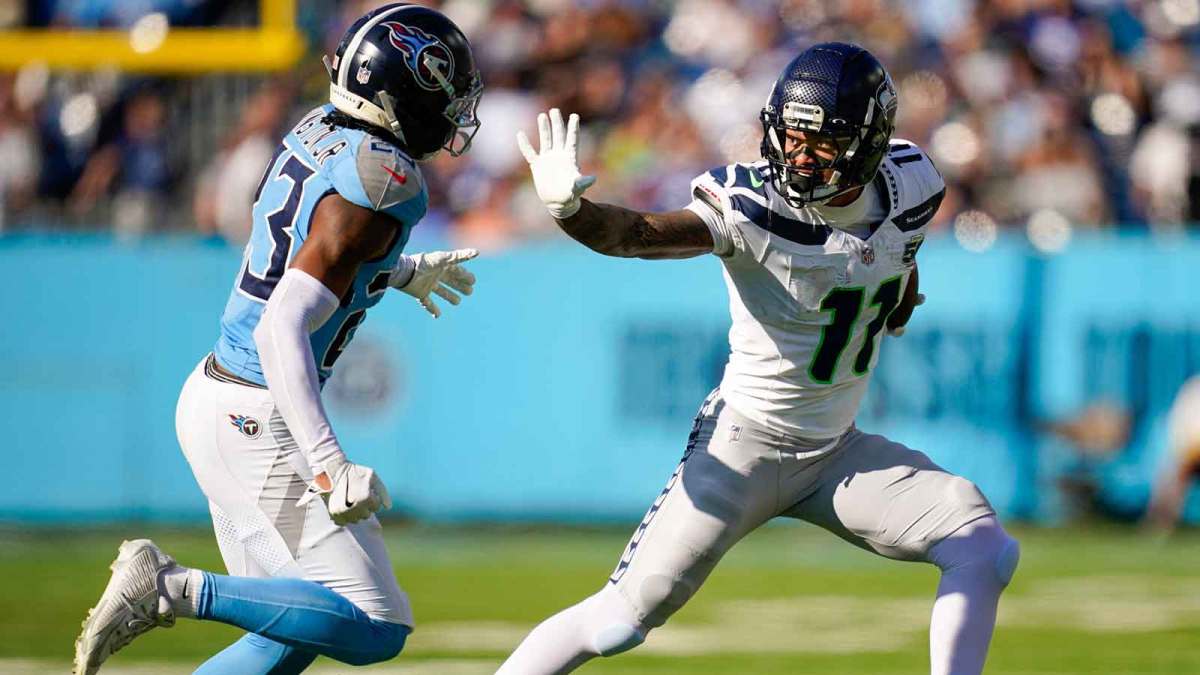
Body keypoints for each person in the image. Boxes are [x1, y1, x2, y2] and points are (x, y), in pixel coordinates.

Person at [501, 43, 1019, 675]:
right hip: (740, 448)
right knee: (620, 620)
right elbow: (637, 235)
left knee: (982, 544)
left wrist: (899, 300)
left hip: (835, 455)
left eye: (822, 143)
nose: (798, 156)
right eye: (790, 135)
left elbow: (896, 260)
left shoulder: (913, 184)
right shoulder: (752, 208)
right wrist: (572, 212)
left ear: (870, 142)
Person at [73, 5, 483, 674]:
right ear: (405, 89)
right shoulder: (385, 182)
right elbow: (282, 322)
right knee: (377, 623)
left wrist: (393, 269)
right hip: (255, 414)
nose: (457, 110)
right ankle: (170, 586)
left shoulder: (319, 128)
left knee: (287, 632)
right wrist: (329, 463)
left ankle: (173, 588)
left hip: (216, 396)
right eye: (449, 90)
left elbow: (298, 248)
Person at [1144, 375, 1200, 531]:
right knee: (1172, 473)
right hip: (1191, 452)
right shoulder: (1195, 387)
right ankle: (1158, 525)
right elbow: (1182, 427)